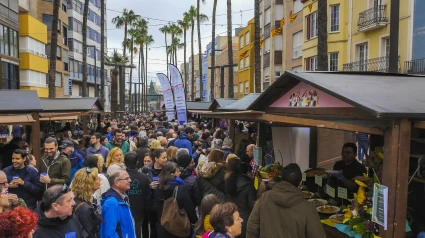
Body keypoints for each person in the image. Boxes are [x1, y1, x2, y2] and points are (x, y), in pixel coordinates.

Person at [246, 163, 326, 238]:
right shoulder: (308, 209)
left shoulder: (265, 197)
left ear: (282, 179)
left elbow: (251, 227)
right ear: (301, 183)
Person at [155, 161, 198, 238]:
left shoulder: (159, 187)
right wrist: (195, 221)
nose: (180, 173)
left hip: (163, 225)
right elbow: (188, 207)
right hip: (178, 226)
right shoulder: (181, 188)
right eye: (178, 171)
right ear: (172, 174)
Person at [224, 156, 255, 238]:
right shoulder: (249, 185)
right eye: (251, 172)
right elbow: (252, 205)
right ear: (247, 172)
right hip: (244, 220)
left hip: (231, 218)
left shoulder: (230, 181)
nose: (252, 174)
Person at [100, 170, 136, 238]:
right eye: (126, 178)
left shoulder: (122, 199)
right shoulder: (112, 203)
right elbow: (110, 234)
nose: (130, 180)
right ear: (116, 182)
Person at [141, 148, 167, 238]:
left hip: (164, 203)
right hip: (151, 203)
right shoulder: (146, 169)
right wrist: (149, 186)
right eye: (163, 158)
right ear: (156, 158)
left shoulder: (167, 169)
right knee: (153, 228)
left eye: (166, 157)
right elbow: (142, 185)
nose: (166, 160)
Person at [124, 151, 151, 238]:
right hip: (139, 212)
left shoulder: (119, 177)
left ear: (124, 163)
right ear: (137, 162)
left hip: (124, 211)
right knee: (136, 231)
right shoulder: (144, 177)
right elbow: (148, 197)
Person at [71, 167, 101, 237]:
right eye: (97, 179)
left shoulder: (78, 200)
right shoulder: (84, 209)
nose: (100, 179)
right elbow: (89, 234)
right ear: (88, 184)